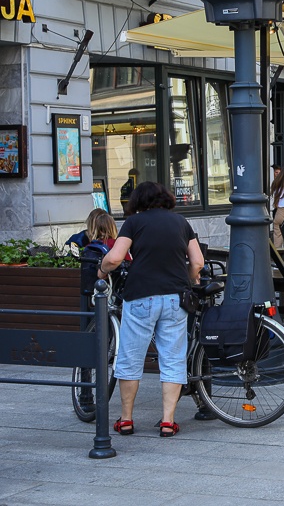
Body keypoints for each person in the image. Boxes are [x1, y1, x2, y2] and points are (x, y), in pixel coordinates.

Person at [98, 181, 204, 438]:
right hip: (175, 299)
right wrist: (189, 279)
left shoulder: (134, 223)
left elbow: (114, 257)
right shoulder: (181, 223)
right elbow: (198, 262)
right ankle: (168, 421)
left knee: (131, 358)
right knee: (172, 358)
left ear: (137, 202)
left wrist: (101, 270)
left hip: (141, 296)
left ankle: (126, 420)